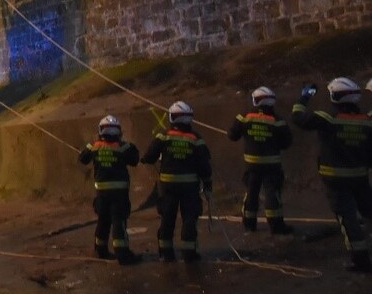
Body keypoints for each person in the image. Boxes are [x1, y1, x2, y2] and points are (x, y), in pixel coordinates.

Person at [292, 78, 372, 272]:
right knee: (369, 211)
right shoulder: (367, 122)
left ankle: (360, 259)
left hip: (335, 179)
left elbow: (298, 117)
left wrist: (304, 96)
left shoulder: (327, 118)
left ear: (334, 96)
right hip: (360, 177)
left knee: (348, 218)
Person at [142, 101, 212, 263]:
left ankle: (166, 253)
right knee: (189, 218)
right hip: (189, 187)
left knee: (167, 218)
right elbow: (204, 165)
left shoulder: (163, 135)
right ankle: (189, 253)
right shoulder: (196, 139)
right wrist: (207, 182)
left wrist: (145, 159)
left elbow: (150, 156)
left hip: (167, 187)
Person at [228, 86, 294, 234]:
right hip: (272, 165)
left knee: (251, 193)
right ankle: (276, 227)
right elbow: (286, 143)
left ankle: (249, 225)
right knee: (272, 194)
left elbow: (232, 135)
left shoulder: (244, 117)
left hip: (252, 165)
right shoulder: (278, 121)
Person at [78, 115, 142, 265]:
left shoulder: (94, 146)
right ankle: (123, 254)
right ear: (118, 132)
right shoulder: (123, 147)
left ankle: (100, 250)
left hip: (102, 194)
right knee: (118, 222)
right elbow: (134, 160)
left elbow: (82, 158)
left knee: (103, 220)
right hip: (119, 194)